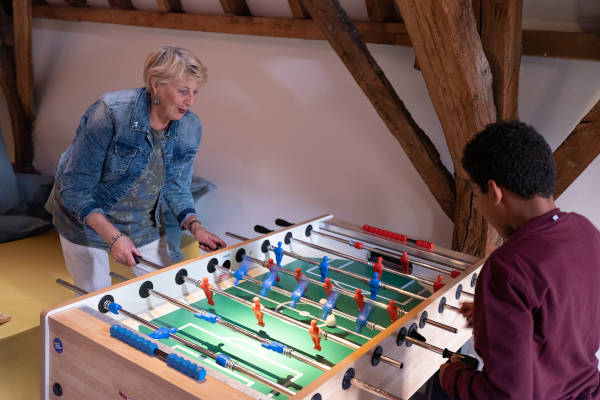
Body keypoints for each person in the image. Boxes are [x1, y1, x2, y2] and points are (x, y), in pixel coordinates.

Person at [438, 121, 600, 399]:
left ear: (495, 191)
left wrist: (451, 376)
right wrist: (496, 320)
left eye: (477, 195)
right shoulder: (587, 232)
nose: (478, 205)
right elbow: (563, 325)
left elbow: (504, 396)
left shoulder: (507, 267)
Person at [45, 46, 226, 293]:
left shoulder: (189, 127)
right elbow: (74, 189)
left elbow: (176, 185)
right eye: (183, 91)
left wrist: (196, 227)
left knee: (165, 294)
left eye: (195, 92)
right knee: (96, 301)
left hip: (142, 222)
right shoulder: (109, 113)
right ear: (156, 85)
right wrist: (115, 237)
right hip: (84, 219)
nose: (190, 101)